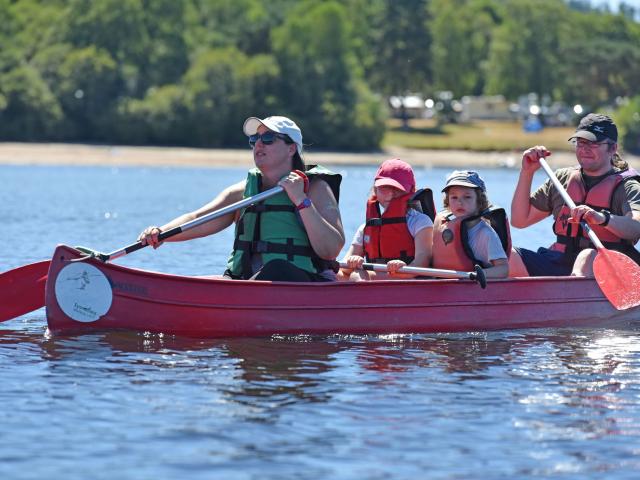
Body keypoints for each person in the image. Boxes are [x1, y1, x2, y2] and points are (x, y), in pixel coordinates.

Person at [138, 115, 345, 282]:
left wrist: (300, 199)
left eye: (268, 139)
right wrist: (161, 233)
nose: (258, 145)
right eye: (255, 140)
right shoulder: (242, 193)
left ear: (291, 148)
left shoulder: (315, 189)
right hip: (246, 281)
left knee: (277, 268)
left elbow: (330, 249)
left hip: (299, 283)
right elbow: (198, 218)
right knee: (230, 279)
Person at [510, 113, 640, 277]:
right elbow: (520, 220)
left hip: (609, 268)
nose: (585, 149)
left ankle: (570, 296)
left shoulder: (628, 186)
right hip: (560, 260)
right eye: (580, 142)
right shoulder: (562, 179)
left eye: (593, 143)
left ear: (612, 148)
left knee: (587, 256)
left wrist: (602, 218)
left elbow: (636, 227)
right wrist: (527, 172)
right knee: (508, 256)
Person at [338, 158, 434, 281]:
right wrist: (352, 261)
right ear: (375, 191)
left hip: (408, 280)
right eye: (384, 189)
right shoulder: (366, 228)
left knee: (357, 275)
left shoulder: (420, 222)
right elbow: (344, 267)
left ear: (410, 192)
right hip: (376, 279)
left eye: (397, 189)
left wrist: (401, 268)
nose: (390, 194)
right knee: (336, 275)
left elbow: (422, 262)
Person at [431, 170, 509, 279]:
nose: (460, 202)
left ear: (480, 201)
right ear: (447, 201)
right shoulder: (443, 227)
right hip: (445, 288)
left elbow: (503, 269)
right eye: (454, 197)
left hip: (473, 289)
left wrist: (480, 274)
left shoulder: (486, 234)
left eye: (467, 197)